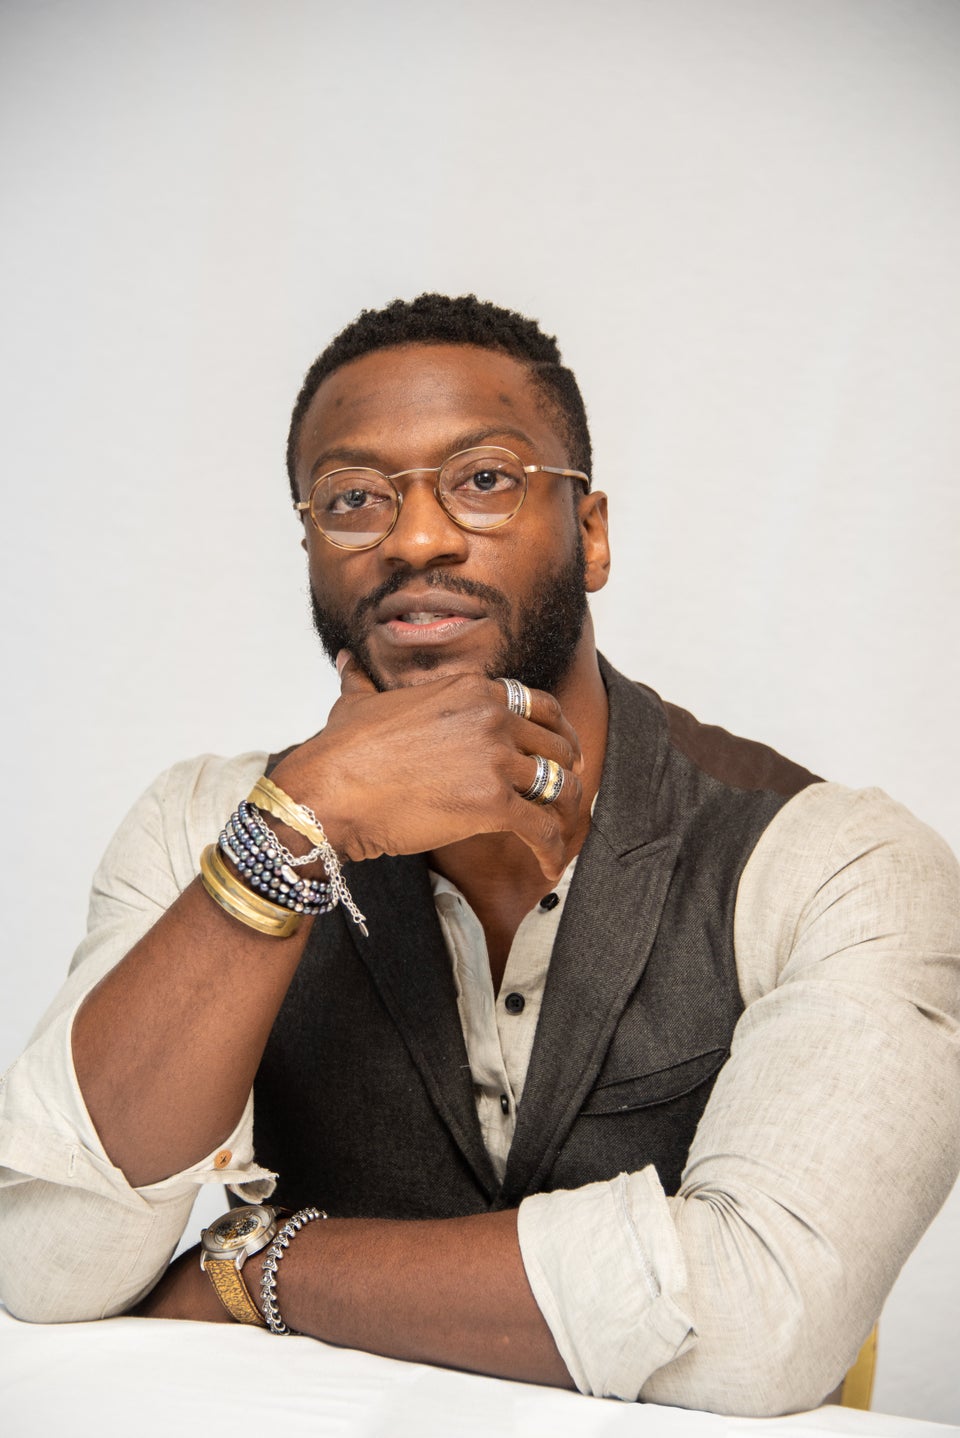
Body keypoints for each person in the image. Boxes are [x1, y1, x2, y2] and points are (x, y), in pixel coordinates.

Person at [1, 294, 958, 1418]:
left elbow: (756, 1323)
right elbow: (50, 1258)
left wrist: (258, 1266)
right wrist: (293, 825)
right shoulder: (201, 824)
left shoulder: (836, 864)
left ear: (590, 533)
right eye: (356, 498)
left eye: (485, 479)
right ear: (312, 546)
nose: (415, 538)